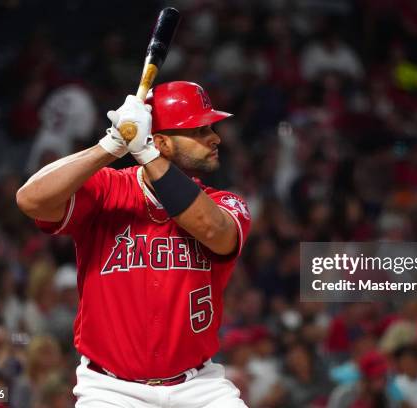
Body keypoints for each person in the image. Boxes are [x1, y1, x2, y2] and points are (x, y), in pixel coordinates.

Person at [17, 81, 251, 407]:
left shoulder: (224, 203)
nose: (215, 137)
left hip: (199, 386)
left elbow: (213, 230)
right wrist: (110, 146)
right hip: (111, 390)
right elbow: (30, 200)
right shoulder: (106, 191)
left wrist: (146, 155)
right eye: (199, 130)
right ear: (161, 141)